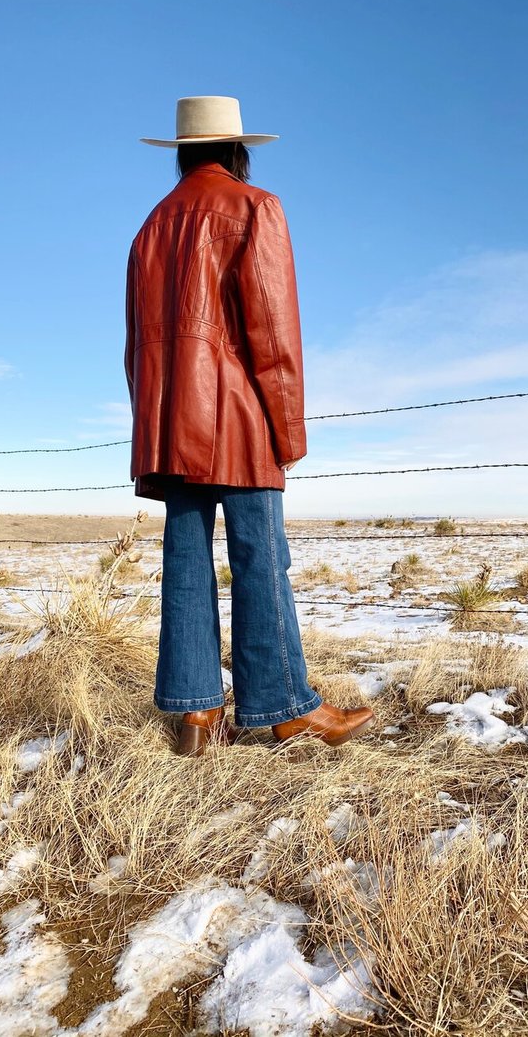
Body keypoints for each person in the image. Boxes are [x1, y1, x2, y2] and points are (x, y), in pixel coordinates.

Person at [124, 96, 375, 756]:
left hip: (170, 423)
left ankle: (196, 717)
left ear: (181, 151)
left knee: (184, 560)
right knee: (262, 558)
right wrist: (288, 431)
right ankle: (286, 708)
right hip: (239, 416)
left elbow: (139, 348)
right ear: (238, 150)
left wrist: (152, 425)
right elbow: (273, 331)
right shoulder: (255, 206)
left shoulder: (150, 228)